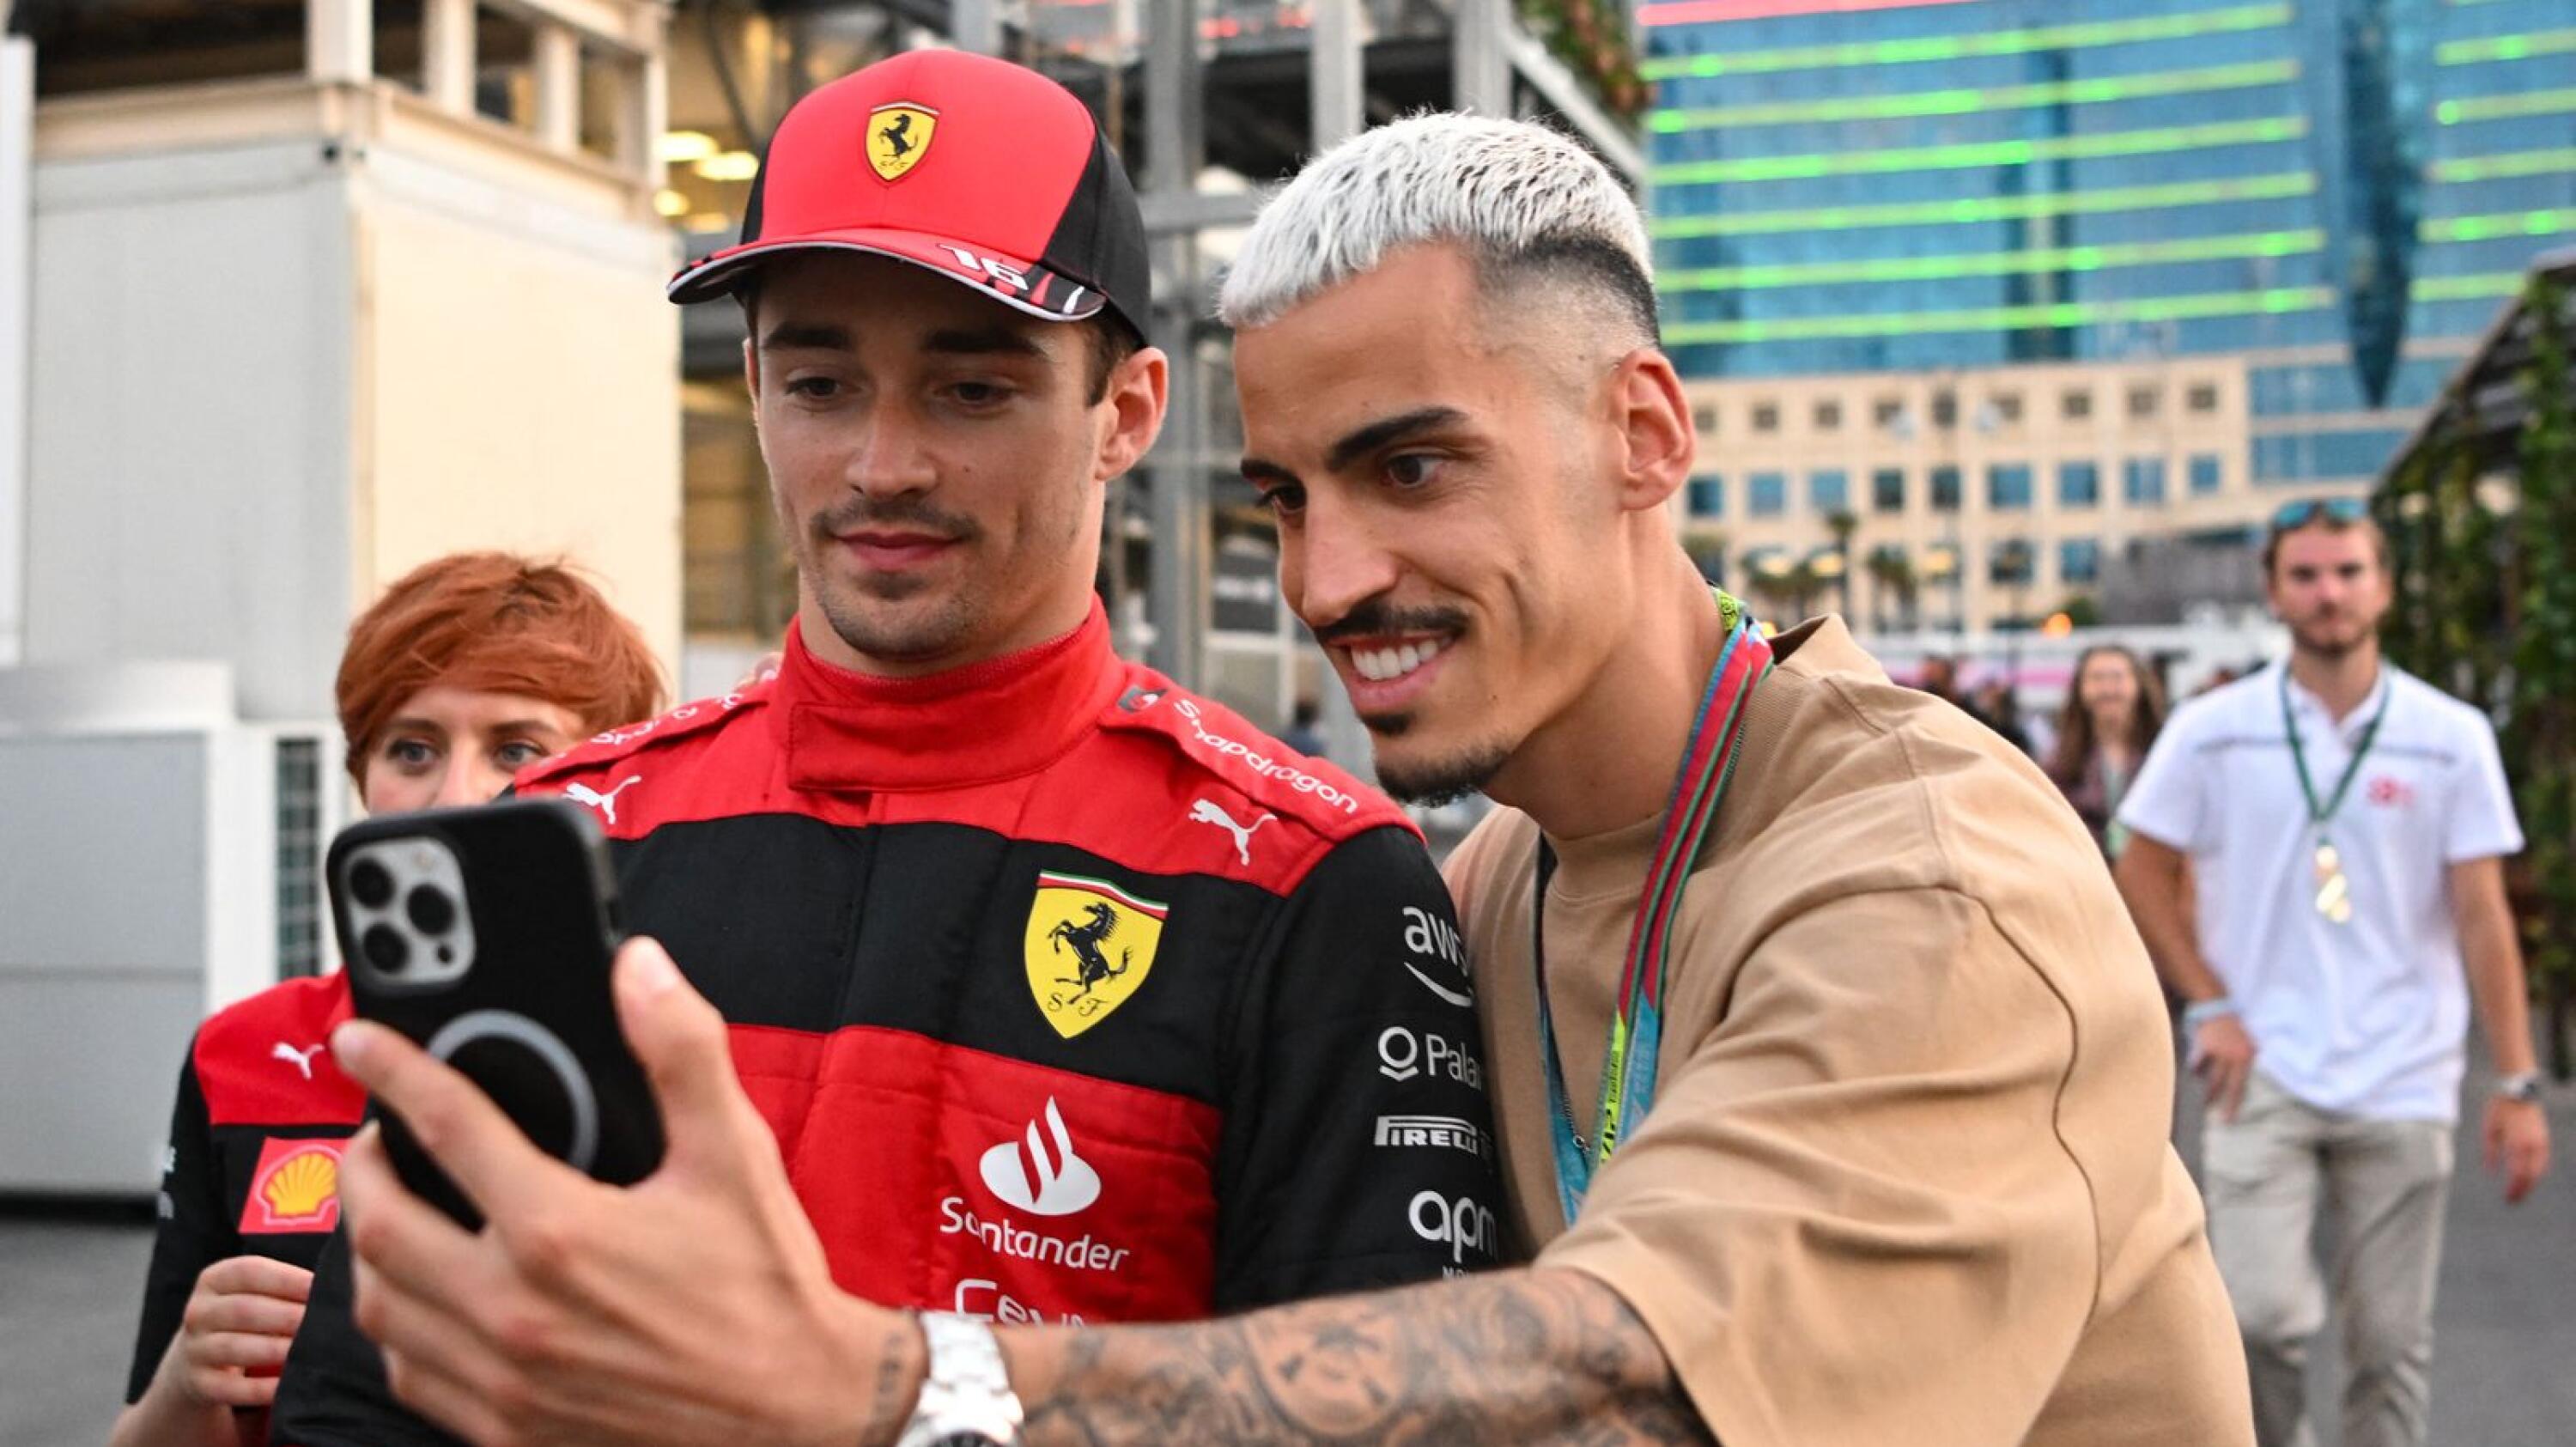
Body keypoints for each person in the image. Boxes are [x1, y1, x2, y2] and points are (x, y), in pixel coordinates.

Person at [308, 112, 2250, 1447]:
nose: (1329, 581)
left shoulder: (1922, 875)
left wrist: (878, 1379)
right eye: (1286, 497)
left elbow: (1623, 1384)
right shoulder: (1484, 874)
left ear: (1640, 429)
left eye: (1413, 468)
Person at [272, 52, 1498, 1447]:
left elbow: (1389, 1420)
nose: (881, 465)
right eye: (819, 384)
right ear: (750, 387)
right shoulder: (565, 843)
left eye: (971, 391)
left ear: (1130, 412)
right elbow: (362, 1405)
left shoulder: (1314, 885)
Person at [109, 552, 664, 1447]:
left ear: (614, 780)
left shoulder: (680, 1048)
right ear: (361, 775)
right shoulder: (241, 1050)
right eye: (413, 747)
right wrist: (186, 1379)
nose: (458, 794)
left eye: (519, 747)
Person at [2113, 498, 2551, 1447]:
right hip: (2258, 1069)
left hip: (2405, 1073)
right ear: (2273, 591)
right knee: (2259, 1319)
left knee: (2391, 1343)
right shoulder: (2214, 727)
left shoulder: (2450, 734)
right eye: (2306, 575)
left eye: (2349, 572)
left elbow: (2482, 916)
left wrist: (2516, 1080)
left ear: (2383, 587)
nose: (2329, 593)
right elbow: (2138, 867)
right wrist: (2211, 1000)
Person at [2045, 643, 2166, 860]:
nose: (2108, 689)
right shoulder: (2059, 759)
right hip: (2086, 873)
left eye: (2117, 677)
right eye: (2097, 678)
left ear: (2138, 684)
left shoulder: (2163, 752)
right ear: (2080, 687)